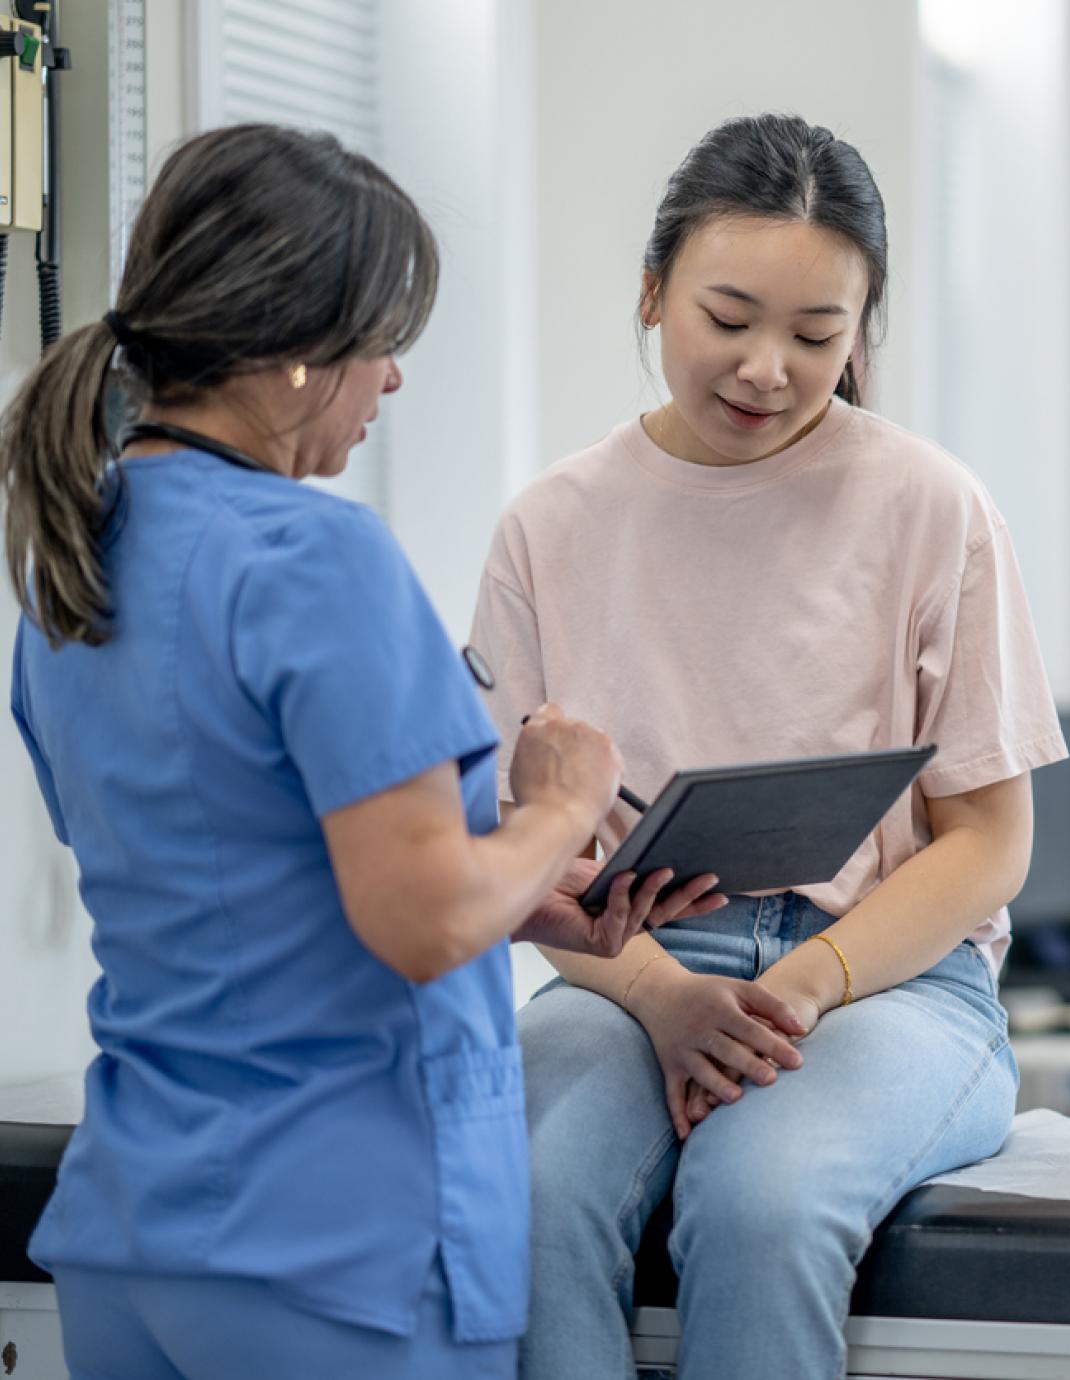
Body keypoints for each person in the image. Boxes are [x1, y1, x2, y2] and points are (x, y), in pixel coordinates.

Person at [3, 124, 720, 1380]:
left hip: (141, 1236)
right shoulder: (316, 559)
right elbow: (420, 920)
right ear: (293, 354)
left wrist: (533, 911)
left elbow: (239, 883)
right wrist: (558, 809)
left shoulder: (76, 566)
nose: (389, 382)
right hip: (341, 1252)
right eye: (379, 343)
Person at [468, 112, 1067, 1380]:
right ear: (651, 292)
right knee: (514, 1194)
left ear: (860, 334)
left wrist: (797, 988)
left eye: (814, 336)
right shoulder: (550, 526)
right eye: (726, 318)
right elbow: (510, 858)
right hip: (622, 974)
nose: (765, 369)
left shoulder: (931, 507)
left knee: (759, 1203)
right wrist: (665, 997)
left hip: (888, 982)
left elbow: (989, 847)